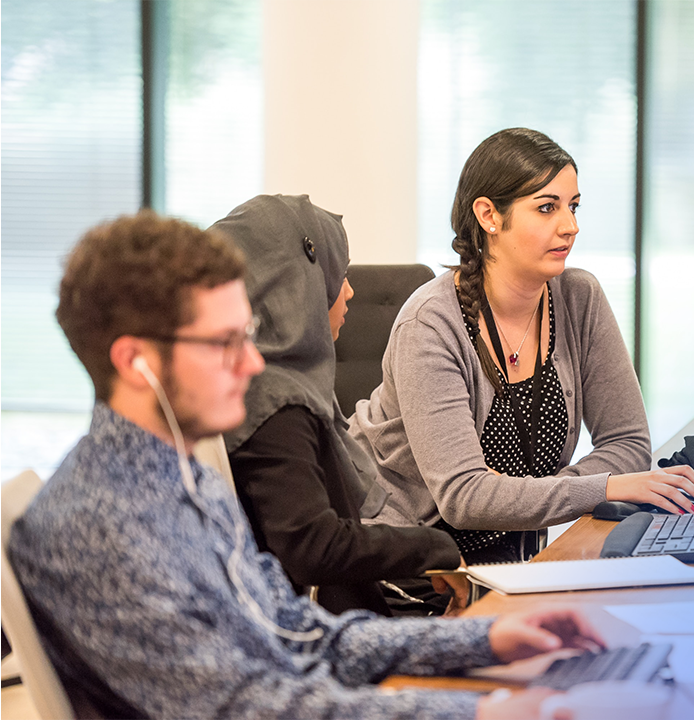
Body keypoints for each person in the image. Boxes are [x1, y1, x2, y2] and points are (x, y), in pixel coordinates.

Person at [7, 211, 603, 719]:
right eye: (223, 343)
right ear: (136, 361)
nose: (250, 364)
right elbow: (254, 707)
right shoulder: (103, 525)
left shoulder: (182, 481)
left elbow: (298, 631)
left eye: (249, 335)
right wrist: (476, 710)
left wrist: (483, 639)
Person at [350, 128, 694, 563]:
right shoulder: (431, 324)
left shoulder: (578, 297)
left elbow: (628, 443)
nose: (570, 226)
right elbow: (464, 497)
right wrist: (603, 487)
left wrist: (540, 496)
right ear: (489, 216)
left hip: (514, 559)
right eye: (546, 208)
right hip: (413, 566)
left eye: (573, 206)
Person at [213, 194, 467, 617]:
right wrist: (432, 548)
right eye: (339, 275)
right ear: (297, 284)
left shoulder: (269, 385)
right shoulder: (276, 403)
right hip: (324, 632)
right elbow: (313, 547)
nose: (349, 291)